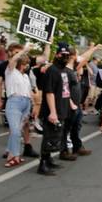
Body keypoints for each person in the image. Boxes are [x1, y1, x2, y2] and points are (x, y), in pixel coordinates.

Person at [37, 44, 73, 175]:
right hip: (52, 111)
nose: (65, 58)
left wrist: (70, 104)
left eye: (67, 56)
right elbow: (49, 92)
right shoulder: (52, 70)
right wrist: (52, 112)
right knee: (48, 137)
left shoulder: (64, 70)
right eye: (62, 55)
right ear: (57, 55)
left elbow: (65, 90)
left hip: (61, 108)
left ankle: (48, 160)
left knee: (55, 137)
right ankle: (43, 164)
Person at [3, 45, 34, 167]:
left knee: (18, 130)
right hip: (14, 102)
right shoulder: (10, 71)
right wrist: (24, 50)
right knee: (15, 130)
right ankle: (15, 155)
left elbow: (29, 91)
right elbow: (12, 60)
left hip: (26, 102)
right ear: (22, 63)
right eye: (26, 63)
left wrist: (31, 107)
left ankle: (12, 154)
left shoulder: (25, 76)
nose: (27, 66)